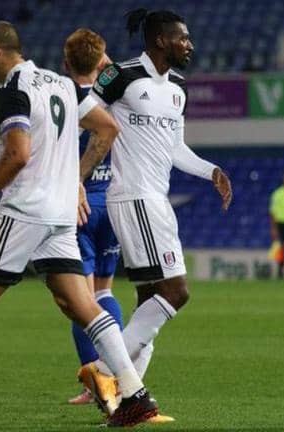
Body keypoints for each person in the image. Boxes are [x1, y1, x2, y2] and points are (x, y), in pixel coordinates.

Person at [0, 21, 158, 429]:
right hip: (60, 216)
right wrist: (74, 179)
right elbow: (108, 127)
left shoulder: (12, 92)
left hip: (24, 211)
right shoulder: (61, 84)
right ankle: (136, 396)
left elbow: (17, 154)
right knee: (81, 305)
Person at [78, 8, 232, 414]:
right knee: (176, 293)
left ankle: (126, 401)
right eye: (183, 38)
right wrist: (72, 171)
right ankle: (101, 370)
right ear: (161, 40)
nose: (189, 45)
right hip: (134, 197)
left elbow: (175, 148)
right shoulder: (122, 75)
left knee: (149, 300)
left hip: (155, 199)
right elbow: (82, 114)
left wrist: (210, 171)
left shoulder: (178, 87)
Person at [61, 27, 124, 407]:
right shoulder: (116, 96)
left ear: (66, 62)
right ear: (100, 60)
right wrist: (105, 63)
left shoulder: (66, 98)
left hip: (80, 203)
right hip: (112, 202)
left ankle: (96, 382)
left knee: (80, 299)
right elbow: (115, 70)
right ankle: (114, 374)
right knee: (105, 292)